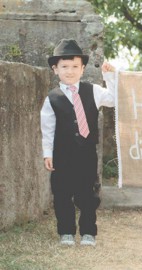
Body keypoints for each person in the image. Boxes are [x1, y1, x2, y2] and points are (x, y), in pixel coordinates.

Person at [40, 39, 116, 246]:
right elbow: (47, 129)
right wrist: (48, 153)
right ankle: (66, 232)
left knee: (87, 193)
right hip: (62, 154)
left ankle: (88, 232)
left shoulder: (93, 91)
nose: (70, 71)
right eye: (64, 67)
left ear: (82, 69)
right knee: (62, 193)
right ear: (55, 69)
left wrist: (109, 76)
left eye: (75, 66)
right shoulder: (51, 99)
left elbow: (114, 99)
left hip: (86, 153)